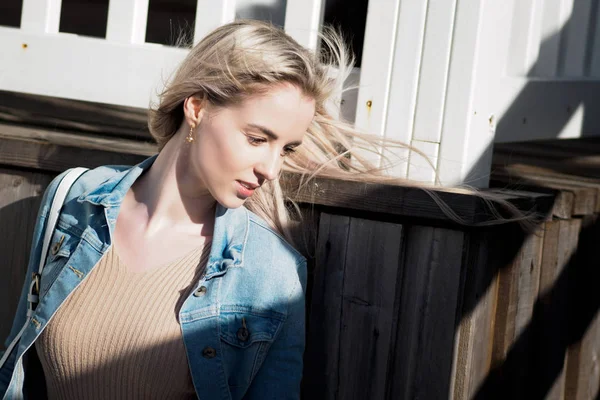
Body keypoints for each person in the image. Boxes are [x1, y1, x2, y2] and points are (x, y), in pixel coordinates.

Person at [0, 19, 381, 400]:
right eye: (256, 138)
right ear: (197, 107)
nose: (271, 169)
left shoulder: (271, 272)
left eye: (286, 148)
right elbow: (18, 370)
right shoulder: (75, 198)